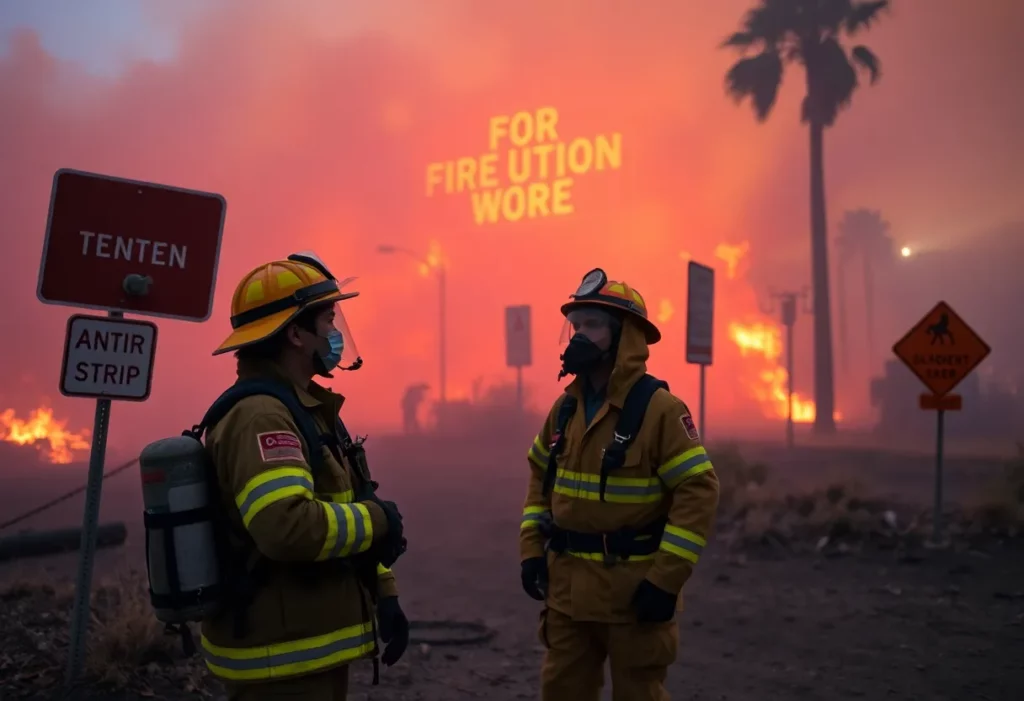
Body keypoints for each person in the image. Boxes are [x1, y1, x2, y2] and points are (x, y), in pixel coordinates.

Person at [201, 252, 409, 701]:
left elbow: (342, 501)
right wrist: (379, 521)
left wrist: (383, 588)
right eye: (328, 322)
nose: (335, 335)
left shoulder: (305, 409)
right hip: (281, 659)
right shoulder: (263, 417)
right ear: (295, 333)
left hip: (305, 645)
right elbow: (287, 527)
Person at [519, 268, 721, 701]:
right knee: (561, 692)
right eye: (576, 325)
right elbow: (539, 477)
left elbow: (698, 491)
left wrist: (665, 581)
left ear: (625, 336)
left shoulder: (661, 410)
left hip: (633, 593)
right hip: (568, 594)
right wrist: (531, 551)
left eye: (592, 325)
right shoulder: (565, 410)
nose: (579, 336)